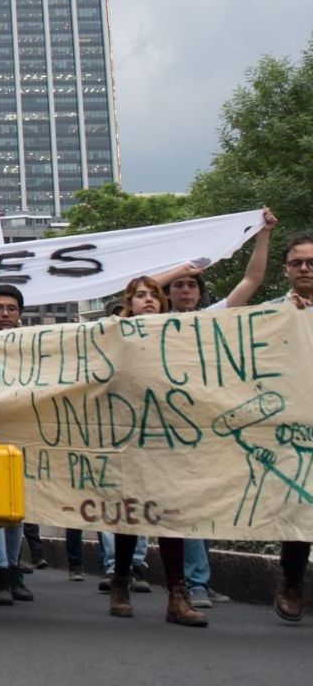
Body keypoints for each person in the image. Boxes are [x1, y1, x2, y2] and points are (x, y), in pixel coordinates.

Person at [157, 207, 278, 607]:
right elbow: (136, 286)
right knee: (186, 503)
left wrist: (262, 234)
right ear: (169, 292)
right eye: (179, 285)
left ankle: (198, 581)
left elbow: (253, 280)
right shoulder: (152, 323)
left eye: (192, 284)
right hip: (168, 425)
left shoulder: (213, 319)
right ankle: (193, 583)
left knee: (202, 501)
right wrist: (178, 268)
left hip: (208, 423)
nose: (186, 290)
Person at [105, 276, 207, 627]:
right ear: (128, 303)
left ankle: (178, 594)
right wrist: (173, 270)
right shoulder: (117, 332)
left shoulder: (181, 332)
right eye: (139, 296)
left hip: (170, 435)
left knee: (171, 510)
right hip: (130, 435)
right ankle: (121, 580)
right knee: (130, 510)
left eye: (154, 296)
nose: (148, 300)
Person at [0, 285, 33, 606]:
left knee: (16, 506)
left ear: (20, 313)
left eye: (12, 308)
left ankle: (13, 569)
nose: (5, 314)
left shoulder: (33, 345)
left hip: (22, 431)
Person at [271, 231, 313, 622]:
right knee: (300, 506)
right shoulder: (272, 314)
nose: (304, 269)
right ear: (285, 270)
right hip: (293, 428)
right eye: (297, 263)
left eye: (311, 263)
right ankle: (292, 580)